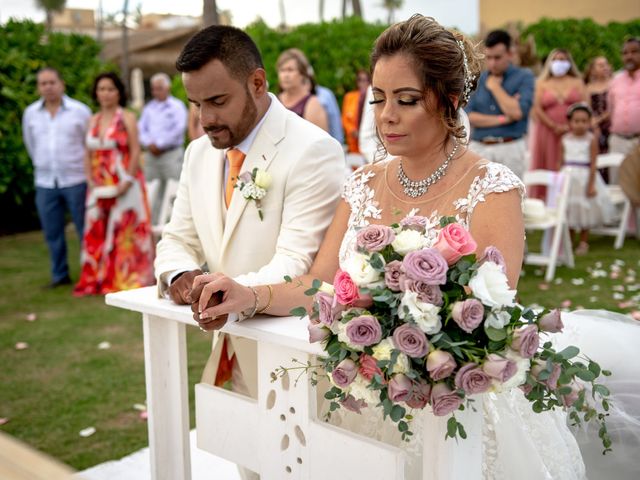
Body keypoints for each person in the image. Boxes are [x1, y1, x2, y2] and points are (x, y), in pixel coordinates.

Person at [189, 15, 595, 479]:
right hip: (361, 400)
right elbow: (318, 282)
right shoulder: (361, 183)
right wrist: (251, 294)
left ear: (451, 101)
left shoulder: (492, 188)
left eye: (406, 100)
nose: (386, 115)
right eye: (379, 99)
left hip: (454, 404)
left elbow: (490, 316)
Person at [155, 26, 344, 478]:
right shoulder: (199, 153)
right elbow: (176, 238)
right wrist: (181, 277)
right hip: (229, 350)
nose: (205, 118)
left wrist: (231, 295)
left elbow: (297, 262)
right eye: (196, 104)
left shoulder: (312, 149)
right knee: (248, 465)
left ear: (257, 83)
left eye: (217, 102)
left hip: (295, 356)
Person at [74, 72, 155, 296]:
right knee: (96, 229)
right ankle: (97, 277)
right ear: (96, 93)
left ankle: (126, 277)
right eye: (101, 89)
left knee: (125, 231)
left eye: (110, 89)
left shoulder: (127, 117)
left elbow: (136, 149)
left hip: (125, 184)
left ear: (119, 92)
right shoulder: (92, 120)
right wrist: (89, 179)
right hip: (98, 186)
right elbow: (88, 153)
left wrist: (127, 180)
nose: (106, 93)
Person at [22, 67, 91, 288]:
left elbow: (88, 145)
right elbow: (30, 144)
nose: (48, 87)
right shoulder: (30, 113)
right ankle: (60, 275)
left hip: (76, 179)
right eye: (43, 83)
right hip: (45, 182)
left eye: (52, 82)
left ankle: (89, 274)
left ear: (62, 84)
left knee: (85, 230)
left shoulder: (80, 111)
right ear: (38, 87)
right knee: (52, 233)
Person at [466, 29, 535, 179]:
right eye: (488, 57)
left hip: (510, 148)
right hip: (479, 148)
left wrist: (495, 87)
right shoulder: (478, 79)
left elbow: (517, 112)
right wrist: (503, 119)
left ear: (510, 54)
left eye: (497, 57)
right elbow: (469, 116)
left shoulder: (524, 77)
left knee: (511, 199)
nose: (492, 63)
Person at [530, 49, 587, 197]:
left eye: (563, 59)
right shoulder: (542, 82)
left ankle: (571, 199)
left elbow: (585, 105)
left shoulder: (578, 82)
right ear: (550, 62)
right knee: (548, 163)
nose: (559, 63)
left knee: (570, 162)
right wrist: (553, 126)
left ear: (569, 63)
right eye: (556, 59)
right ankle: (547, 199)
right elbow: (537, 108)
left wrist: (571, 126)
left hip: (574, 131)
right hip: (548, 131)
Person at [560, 103, 614, 255]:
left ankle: (584, 240)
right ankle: (569, 239)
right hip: (568, 178)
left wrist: (591, 184)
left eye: (584, 121)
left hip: (585, 177)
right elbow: (560, 161)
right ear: (570, 122)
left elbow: (593, 163)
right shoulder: (564, 139)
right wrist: (558, 180)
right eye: (576, 121)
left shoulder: (590, 139)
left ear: (589, 122)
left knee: (585, 208)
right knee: (569, 208)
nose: (580, 125)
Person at [138, 72, 188, 224]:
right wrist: (149, 144)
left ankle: (176, 223)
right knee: (152, 191)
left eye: (159, 88)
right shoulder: (149, 108)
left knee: (175, 190)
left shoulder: (177, 106)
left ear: (168, 88)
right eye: (154, 89)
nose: (156, 92)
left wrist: (159, 145)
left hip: (170, 154)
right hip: (152, 157)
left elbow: (179, 128)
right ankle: (154, 227)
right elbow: (141, 129)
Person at [275, 48, 329, 132]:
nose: (285, 75)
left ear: (302, 74)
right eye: (282, 70)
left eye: (290, 70)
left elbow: (320, 142)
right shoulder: (274, 100)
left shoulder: (312, 103)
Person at [608, 37, 640, 158]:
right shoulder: (616, 80)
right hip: (618, 141)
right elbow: (611, 109)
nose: (629, 56)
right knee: (617, 176)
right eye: (625, 53)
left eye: (634, 52)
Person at [584, 56, 613, 154]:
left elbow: (613, 107)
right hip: (594, 127)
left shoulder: (613, 84)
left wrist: (600, 119)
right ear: (593, 70)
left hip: (610, 125)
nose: (604, 67)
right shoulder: (589, 88)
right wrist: (594, 124)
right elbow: (587, 108)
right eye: (600, 65)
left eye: (606, 65)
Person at [342, 69, 371, 153]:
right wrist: (352, 130)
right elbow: (344, 119)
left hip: (368, 140)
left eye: (365, 80)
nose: (362, 83)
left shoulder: (372, 97)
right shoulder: (350, 97)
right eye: (360, 80)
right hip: (353, 141)